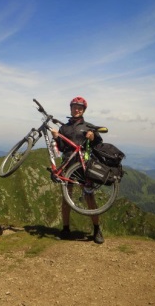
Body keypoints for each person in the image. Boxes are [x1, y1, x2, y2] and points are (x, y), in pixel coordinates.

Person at [50, 96, 105, 244]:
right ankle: (66, 229)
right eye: (75, 107)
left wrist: (93, 137)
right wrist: (56, 137)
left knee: (89, 197)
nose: (77, 109)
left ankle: (97, 230)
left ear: (83, 110)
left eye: (80, 108)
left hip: (83, 167)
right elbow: (61, 148)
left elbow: (99, 144)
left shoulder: (88, 127)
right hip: (67, 164)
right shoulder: (64, 128)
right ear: (71, 108)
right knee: (66, 197)